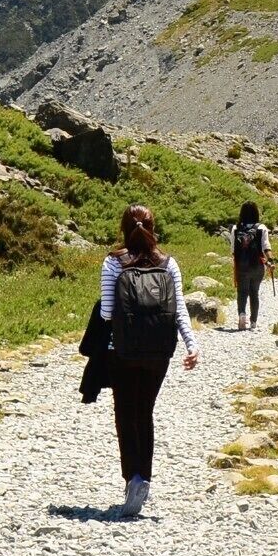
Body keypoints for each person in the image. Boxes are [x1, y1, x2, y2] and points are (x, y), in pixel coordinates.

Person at [99, 202, 198, 518]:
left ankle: (134, 479)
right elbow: (179, 308)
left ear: (123, 230)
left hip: (122, 351)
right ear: (153, 229)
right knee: (145, 411)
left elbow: (105, 313)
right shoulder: (169, 263)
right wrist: (191, 345)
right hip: (159, 352)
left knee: (125, 414)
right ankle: (146, 478)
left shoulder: (114, 263)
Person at [230, 200, 273, 331]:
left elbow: (233, 250)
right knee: (254, 292)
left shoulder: (235, 228)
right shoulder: (261, 228)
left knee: (242, 292)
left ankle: (242, 315)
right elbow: (266, 247)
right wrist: (271, 261)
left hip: (241, 265)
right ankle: (253, 321)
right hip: (257, 265)